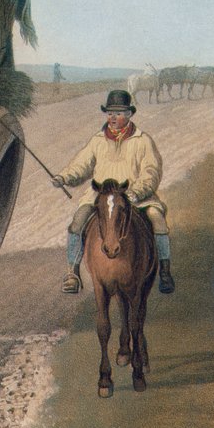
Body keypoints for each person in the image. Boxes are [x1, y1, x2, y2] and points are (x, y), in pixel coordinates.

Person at [51, 90, 174, 294]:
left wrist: (137, 192)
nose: (113, 118)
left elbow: (151, 172)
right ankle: (72, 273)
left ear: (129, 114)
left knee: (157, 219)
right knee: (78, 221)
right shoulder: (98, 140)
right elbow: (81, 165)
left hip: (135, 197)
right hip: (100, 198)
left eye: (118, 113)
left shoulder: (143, 140)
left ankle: (165, 272)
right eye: (109, 113)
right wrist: (64, 177)